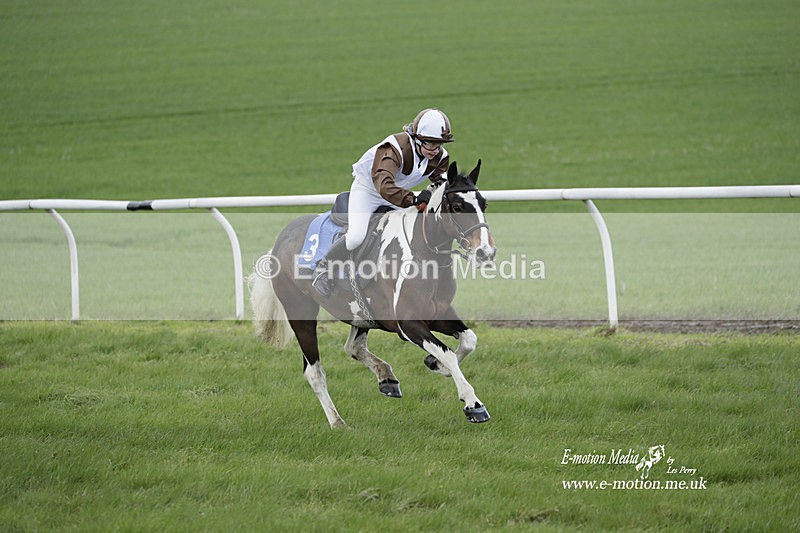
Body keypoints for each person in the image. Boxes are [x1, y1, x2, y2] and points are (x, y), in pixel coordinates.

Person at [312, 108, 454, 297]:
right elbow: (385, 186)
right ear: (416, 138)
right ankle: (323, 269)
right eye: (430, 144)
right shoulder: (394, 149)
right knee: (356, 236)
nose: (434, 150)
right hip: (370, 191)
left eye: (439, 145)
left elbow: (440, 181)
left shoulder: (439, 156)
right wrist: (414, 199)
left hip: (398, 193)